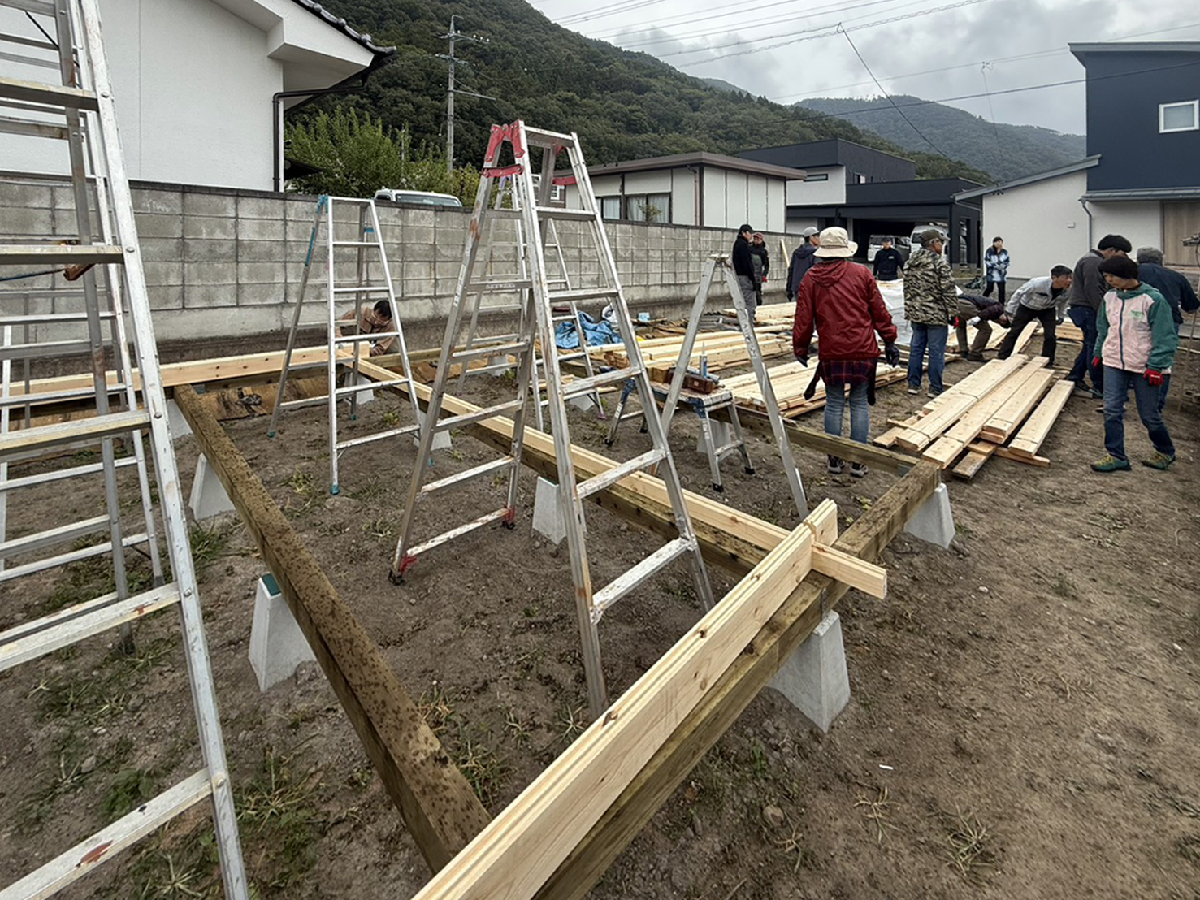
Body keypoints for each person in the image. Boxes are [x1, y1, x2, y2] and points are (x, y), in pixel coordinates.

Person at [793, 227, 899, 478]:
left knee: (834, 403)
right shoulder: (861, 274)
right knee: (859, 403)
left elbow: (803, 318)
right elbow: (879, 312)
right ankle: (858, 462)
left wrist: (800, 347)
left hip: (831, 351)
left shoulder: (811, 278)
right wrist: (890, 340)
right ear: (845, 251)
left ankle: (834, 460)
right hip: (862, 349)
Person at [1090, 254, 1178, 472]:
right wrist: (1099, 352)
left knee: (1149, 414)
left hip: (1144, 366)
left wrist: (1157, 365)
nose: (1108, 279)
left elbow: (1165, 335)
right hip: (1114, 363)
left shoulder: (1152, 300)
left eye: (1111, 275)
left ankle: (1165, 450)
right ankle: (1116, 455)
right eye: (1106, 275)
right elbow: (1104, 327)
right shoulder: (1110, 298)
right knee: (1112, 410)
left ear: (1127, 275)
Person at [1136, 246, 1200, 412]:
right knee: (1162, 359)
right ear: (1161, 260)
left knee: (1135, 355)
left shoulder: (1132, 273)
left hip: (1137, 319)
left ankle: (1133, 394)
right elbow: (1192, 306)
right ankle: (1157, 402)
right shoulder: (1176, 276)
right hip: (1169, 321)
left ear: (1138, 259)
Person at [903, 228, 957, 397]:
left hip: (916, 313)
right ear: (933, 243)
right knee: (936, 352)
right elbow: (948, 290)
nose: (943, 245)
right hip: (935, 314)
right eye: (941, 242)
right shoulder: (939, 263)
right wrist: (953, 313)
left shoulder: (910, 262)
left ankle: (913, 384)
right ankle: (935, 388)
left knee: (916, 349)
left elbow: (906, 288)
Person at [996, 265, 1073, 364]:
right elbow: (1019, 293)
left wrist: (1061, 316)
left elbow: (1062, 303)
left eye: (1071, 277)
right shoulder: (1037, 284)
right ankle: (1003, 355)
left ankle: (1048, 360)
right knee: (1015, 331)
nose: (1069, 281)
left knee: (1050, 335)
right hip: (1027, 307)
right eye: (1066, 278)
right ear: (1054, 278)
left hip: (1047, 309)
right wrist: (1009, 310)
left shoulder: (1067, 290)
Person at [954, 292, 1006, 361]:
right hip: (966, 305)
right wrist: (977, 318)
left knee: (961, 325)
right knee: (986, 330)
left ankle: (963, 350)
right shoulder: (999, 308)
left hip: (957, 302)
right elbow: (985, 313)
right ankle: (975, 353)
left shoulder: (994, 309)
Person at [785, 226, 820, 300]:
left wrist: (789, 288)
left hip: (797, 287)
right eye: (817, 236)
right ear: (811, 238)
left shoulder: (796, 252)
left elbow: (791, 270)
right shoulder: (815, 254)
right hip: (810, 288)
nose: (819, 238)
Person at [731, 223, 757, 320]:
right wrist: (752, 278)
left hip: (739, 276)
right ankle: (748, 322)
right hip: (745, 277)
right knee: (749, 301)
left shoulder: (737, 244)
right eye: (749, 233)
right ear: (744, 233)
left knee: (742, 300)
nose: (751, 236)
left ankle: (744, 320)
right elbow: (747, 263)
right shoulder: (743, 245)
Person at [983, 236, 1010, 305]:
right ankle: (982, 299)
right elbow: (987, 261)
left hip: (1001, 274)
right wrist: (995, 266)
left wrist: (1003, 266)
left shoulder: (1004, 252)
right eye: (997, 242)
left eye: (1000, 242)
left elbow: (1007, 261)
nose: (999, 243)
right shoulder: (989, 251)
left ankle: (1001, 303)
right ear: (994, 243)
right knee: (989, 288)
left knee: (1002, 289)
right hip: (991, 273)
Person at [750, 232, 770, 311]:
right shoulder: (749, 249)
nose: (756, 240)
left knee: (757, 293)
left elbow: (767, 265)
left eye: (758, 239)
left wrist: (764, 275)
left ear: (761, 240)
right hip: (749, 273)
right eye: (755, 238)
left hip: (758, 274)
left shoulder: (763, 252)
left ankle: (758, 309)